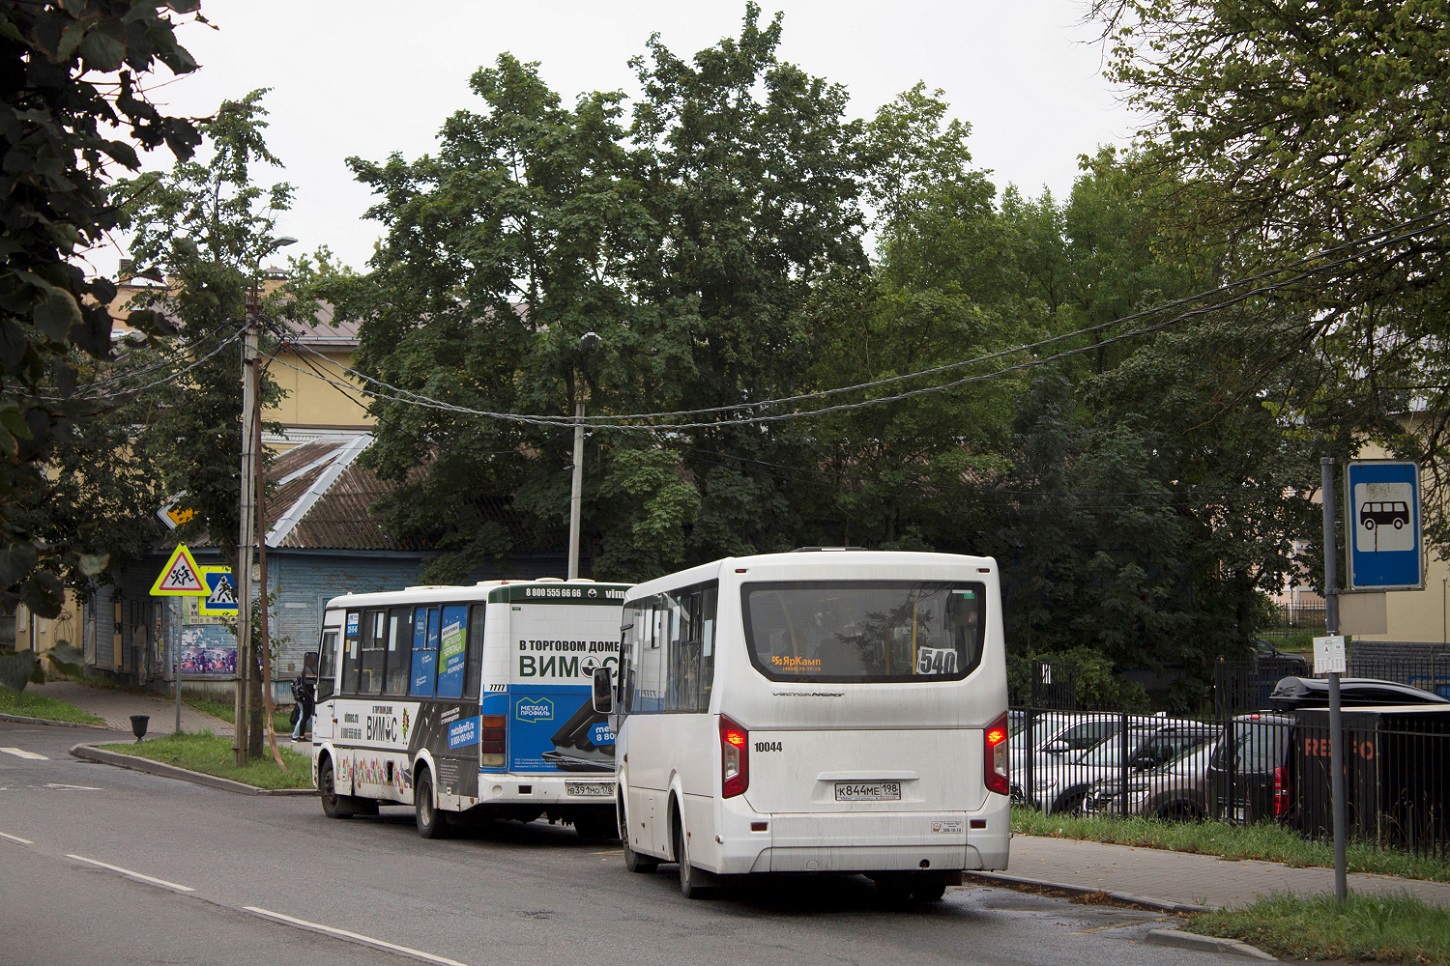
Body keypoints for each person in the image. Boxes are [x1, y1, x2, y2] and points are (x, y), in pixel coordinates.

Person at [290, 670, 315, 742]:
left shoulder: (299, 680)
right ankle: (295, 736)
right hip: (304, 701)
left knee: (308, 717)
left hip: (301, 700)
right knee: (303, 717)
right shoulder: (307, 680)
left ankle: (315, 732)